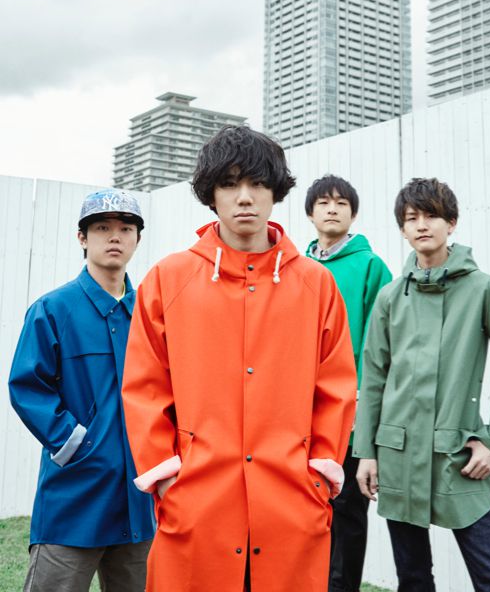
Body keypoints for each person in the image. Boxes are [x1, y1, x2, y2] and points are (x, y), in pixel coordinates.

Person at [121, 126, 357, 592]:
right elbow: (145, 386)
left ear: (276, 191)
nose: (244, 197)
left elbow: (336, 387)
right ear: (211, 194)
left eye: (257, 183)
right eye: (229, 184)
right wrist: (167, 478)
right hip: (198, 500)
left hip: (290, 500)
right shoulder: (169, 279)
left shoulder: (316, 284)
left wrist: (320, 471)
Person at [355, 177, 490, 592]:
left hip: (458, 454)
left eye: (431, 215)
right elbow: (374, 376)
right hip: (397, 454)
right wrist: (366, 453)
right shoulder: (390, 297)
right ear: (402, 229)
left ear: (451, 223)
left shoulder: (483, 288)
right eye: (411, 218)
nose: (421, 225)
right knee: (413, 579)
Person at [9, 189, 155, 592]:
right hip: (74, 497)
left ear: (137, 239)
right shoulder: (53, 309)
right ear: (82, 238)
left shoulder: (151, 314)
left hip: (140, 501)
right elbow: (28, 386)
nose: (115, 236)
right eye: (102, 228)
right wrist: (74, 444)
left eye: (125, 228)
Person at [305, 174, 391, 592]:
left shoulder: (371, 266)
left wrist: (365, 405)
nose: (332, 209)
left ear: (353, 215)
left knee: (348, 513)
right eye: (324, 203)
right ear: (310, 214)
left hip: (350, 415)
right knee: (306, 511)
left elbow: (382, 344)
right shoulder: (296, 268)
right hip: (300, 415)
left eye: (342, 204)